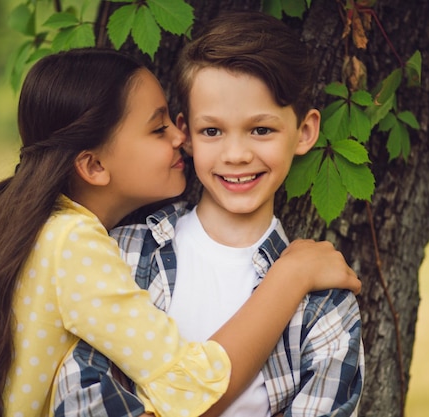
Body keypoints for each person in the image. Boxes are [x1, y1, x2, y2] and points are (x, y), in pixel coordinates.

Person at [0, 48, 360, 417]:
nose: (180, 139)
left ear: (304, 131)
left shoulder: (10, 226)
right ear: (94, 165)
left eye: (259, 129)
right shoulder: (85, 248)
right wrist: (291, 276)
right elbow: (191, 386)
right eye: (160, 128)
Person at [54, 11, 364, 417]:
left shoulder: (324, 305)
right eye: (212, 131)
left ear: (305, 132)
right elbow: (82, 405)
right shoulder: (121, 256)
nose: (236, 155)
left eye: (261, 130)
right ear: (185, 133)